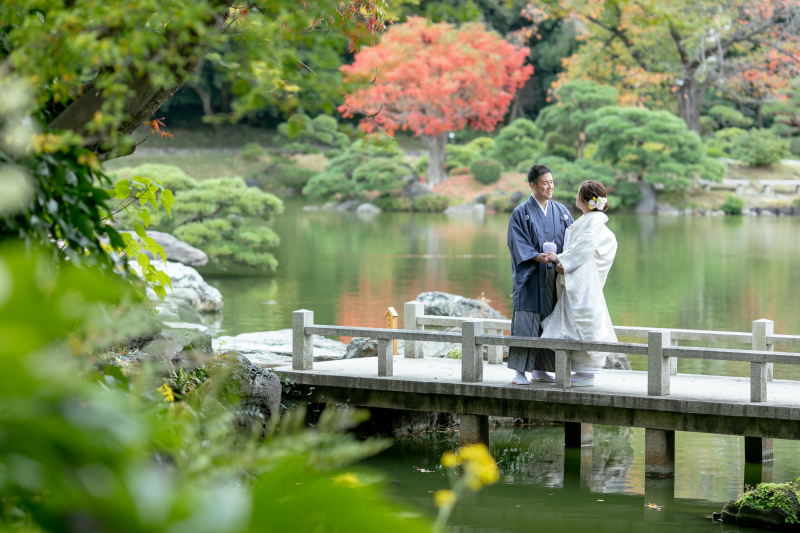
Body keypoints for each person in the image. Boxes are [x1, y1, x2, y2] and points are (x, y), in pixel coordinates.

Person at [541, 180, 621, 387]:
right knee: (575, 322)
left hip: (583, 281)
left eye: (578, 194)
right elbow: (579, 249)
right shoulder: (590, 219)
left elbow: (584, 248)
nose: (575, 197)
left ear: (586, 200)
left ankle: (587, 372)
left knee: (582, 321)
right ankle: (582, 370)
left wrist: (560, 260)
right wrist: (565, 263)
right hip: (577, 277)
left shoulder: (594, 221)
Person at [506, 164, 574, 385]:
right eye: (545, 183)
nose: (550, 186)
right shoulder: (521, 213)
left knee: (550, 321)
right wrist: (537, 257)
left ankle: (541, 369)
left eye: (552, 182)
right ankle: (519, 371)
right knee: (526, 322)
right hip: (531, 277)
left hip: (553, 278)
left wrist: (564, 261)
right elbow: (517, 244)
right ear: (532, 185)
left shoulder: (562, 212)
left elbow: (573, 244)